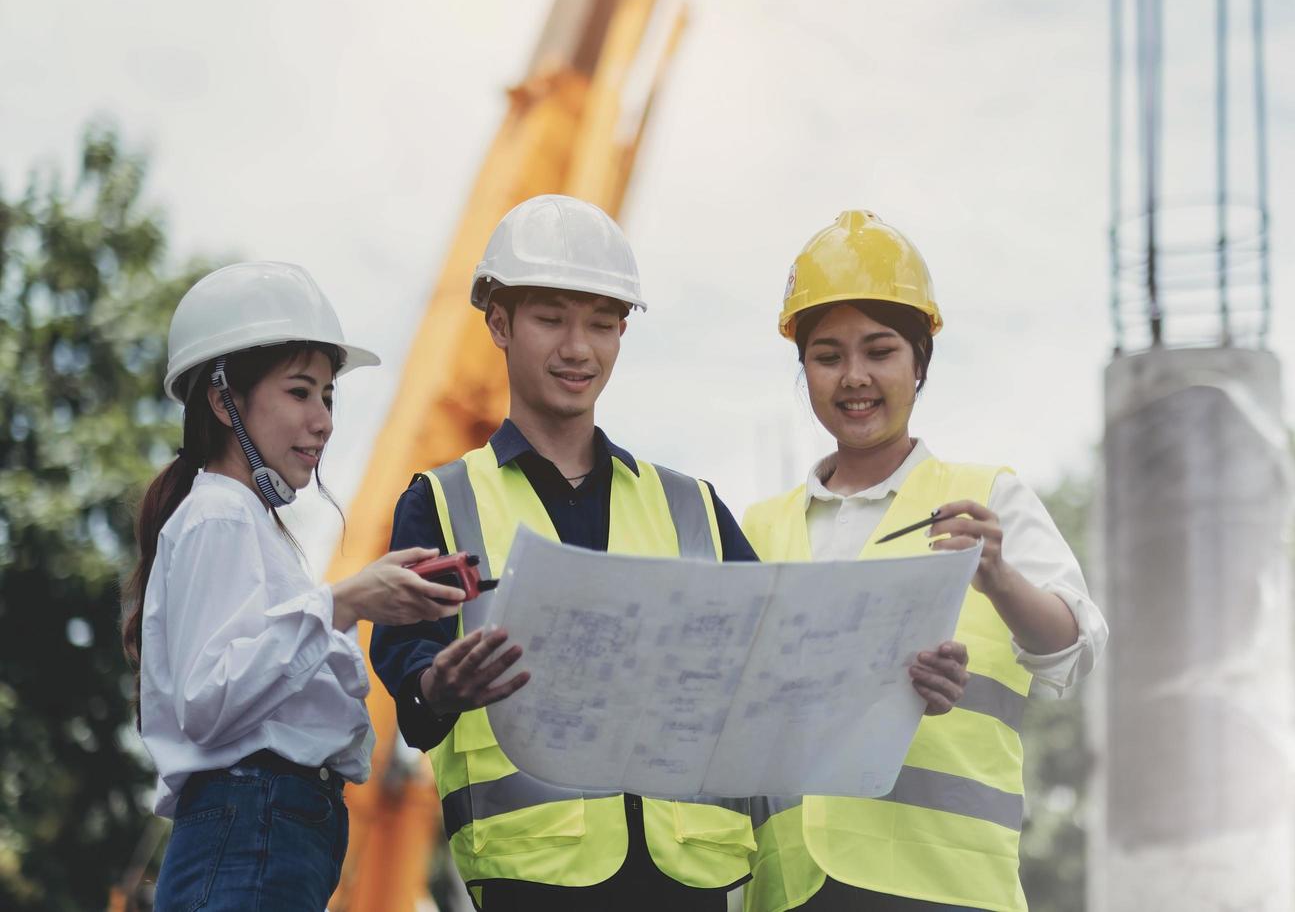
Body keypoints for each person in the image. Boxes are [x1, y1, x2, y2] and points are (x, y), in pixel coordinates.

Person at [369, 195, 968, 910]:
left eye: (600, 323)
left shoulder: (693, 508)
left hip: (694, 875)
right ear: (498, 323)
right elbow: (408, 684)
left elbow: (783, 668)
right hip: (533, 877)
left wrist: (899, 683)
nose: (577, 348)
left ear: (623, 332)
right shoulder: (442, 503)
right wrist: (439, 686)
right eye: (550, 318)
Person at [742, 211, 1110, 912]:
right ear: (804, 370)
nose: (854, 377)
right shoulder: (758, 529)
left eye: (879, 351)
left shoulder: (987, 497)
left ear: (919, 361)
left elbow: (1071, 654)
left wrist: (998, 579)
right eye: (827, 356)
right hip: (789, 888)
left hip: (948, 887)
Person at [123, 262, 477, 911]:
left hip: (267, 826)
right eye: (299, 392)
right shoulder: (219, 515)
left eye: (328, 397)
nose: (323, 421)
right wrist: (345, 602)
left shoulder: (245, 524)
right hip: (253, 820)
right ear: (221, 398)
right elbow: (208, 696)